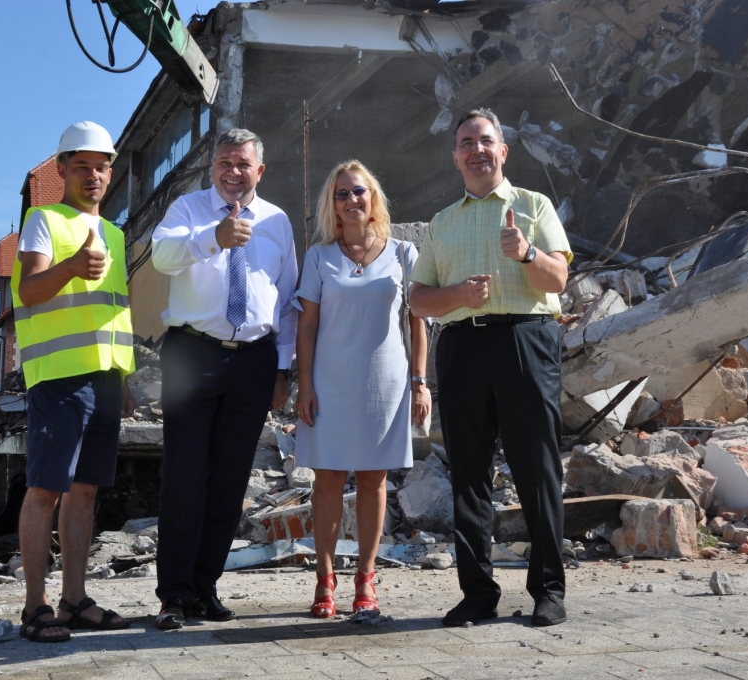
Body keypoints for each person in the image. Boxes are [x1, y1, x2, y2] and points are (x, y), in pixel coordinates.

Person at [409, 109, 571, 627]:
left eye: (485, 141)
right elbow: (418, 299)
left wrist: (526, 253)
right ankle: (478, 594)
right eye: (466, 143)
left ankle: (548, 590)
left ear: (503, 151)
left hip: (526, 340)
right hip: (461, 347)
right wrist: (458, 294)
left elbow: (558, 280)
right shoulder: (442, 222)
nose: (476, 150)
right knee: (469, 475)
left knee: (537, 469)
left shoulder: (533, 205)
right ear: (455, 157)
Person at [150, 128, 298, 630]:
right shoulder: (187, 210)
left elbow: (287, 299)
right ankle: (173, 594)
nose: (233, 172)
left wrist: (282, 367)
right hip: (192, 353)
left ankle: (204, 587)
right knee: (185, 476)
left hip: (254, 360)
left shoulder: (277, 221)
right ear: (212, 167)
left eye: (242, 164)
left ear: (260, 171)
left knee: (230, 480)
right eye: (224, 163)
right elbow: (162, 257)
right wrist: (213, 238)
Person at [12, 121, 137, 642]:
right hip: (59, 378)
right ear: (62, 169)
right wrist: (70, 267)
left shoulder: (115, 235)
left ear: (111, 173)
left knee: (84, 492)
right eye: (82, 165)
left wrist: (122, 378)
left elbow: (114, 311)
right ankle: (34, 607)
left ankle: (74, 600)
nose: (93, 175)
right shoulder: (43, 220)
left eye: (101, 167)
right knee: (45, 490)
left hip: (104, 378)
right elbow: (29, 290)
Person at [293, 160, 430, 618]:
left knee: (374, 480)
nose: (351, 200)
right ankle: (324, 579)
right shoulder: (318, 257)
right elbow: (307, 326)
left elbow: (418, 322)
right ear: (332, 206)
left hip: (384, 382)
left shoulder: (403, 253)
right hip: (329, 383)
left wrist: (420, 382)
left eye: (358, 191)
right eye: (342, 194)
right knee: (328, 479)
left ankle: (366, 580)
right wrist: (304, 385)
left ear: (373, 198)